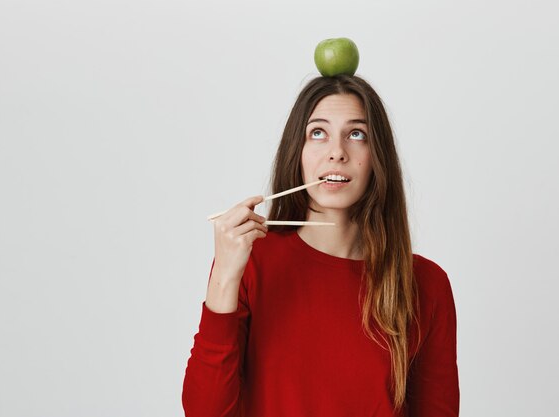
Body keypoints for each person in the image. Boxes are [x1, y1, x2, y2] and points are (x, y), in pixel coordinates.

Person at [182, 74, 459, 417]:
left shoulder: (426, 284)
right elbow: (205, 412)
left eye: (356, 134)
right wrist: (223, 275)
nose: (337, 152)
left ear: (378, 157)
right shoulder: (252, 261)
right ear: (296, 152)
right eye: (318, 133)